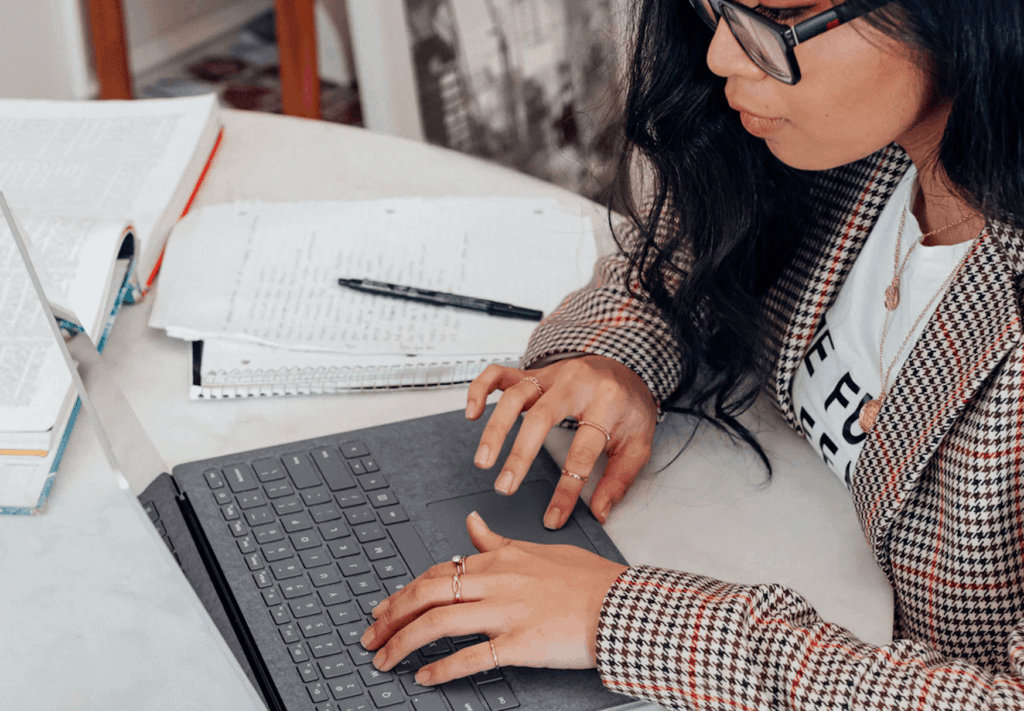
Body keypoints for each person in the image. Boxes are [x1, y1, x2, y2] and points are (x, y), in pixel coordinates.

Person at [360, 0, 1024, 708]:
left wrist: (619, 617)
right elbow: (683, 259)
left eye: (771, 24)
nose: (720, 57)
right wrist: (611, 363)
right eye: (717, 8)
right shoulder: (869, 144)